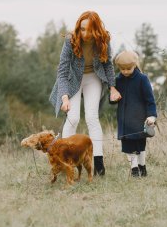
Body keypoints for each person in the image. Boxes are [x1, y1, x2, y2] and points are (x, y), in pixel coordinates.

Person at [49, 11, 121, 176]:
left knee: (92, 118)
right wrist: (64, 97)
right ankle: (66, 161)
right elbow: (62, 71)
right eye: (82, 29)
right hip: (73, 79)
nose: (85, 33)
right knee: (73, 118)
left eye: (89, 30)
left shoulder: (104, 39)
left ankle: (99, 165)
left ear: (96, 29)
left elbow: (107, 64)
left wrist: (112, 87)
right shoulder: (70, 40)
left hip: (93, 78)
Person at [112, 50, 157, 177]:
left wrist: (151, 116)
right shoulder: (118, 80)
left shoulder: (142, 79)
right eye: (122, 69)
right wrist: (113, 97)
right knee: (127, 146)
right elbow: (113, 98)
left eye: (128, 68)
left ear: (135, 65)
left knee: (139, 145)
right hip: (124, 119)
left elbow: (150, 100)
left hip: (139, 119)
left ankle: (142, 166)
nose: (125, 71)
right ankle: (134, 169)